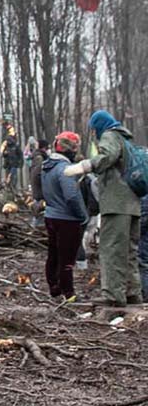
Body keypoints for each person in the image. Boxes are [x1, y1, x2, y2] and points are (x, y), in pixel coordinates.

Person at [63, 110, 144, 307]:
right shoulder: (125, 139)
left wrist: (86, 165)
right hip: (132, 203)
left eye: (93, 128)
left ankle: (113, 295)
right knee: (130, 252)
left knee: (111, 249)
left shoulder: (109, 135)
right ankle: (133, 293)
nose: (93, 133)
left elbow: (108, 155)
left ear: (99, 125)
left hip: (116, 203)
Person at [40, 132, 88, 302]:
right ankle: (69, 294)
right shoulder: (65, 169)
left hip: (51, 216)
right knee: (67, 259)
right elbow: (71, 196)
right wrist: (82, 215)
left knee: (53, 254)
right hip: (67, 219)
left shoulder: (47, 166)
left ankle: (54, 288)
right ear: (71, 149)